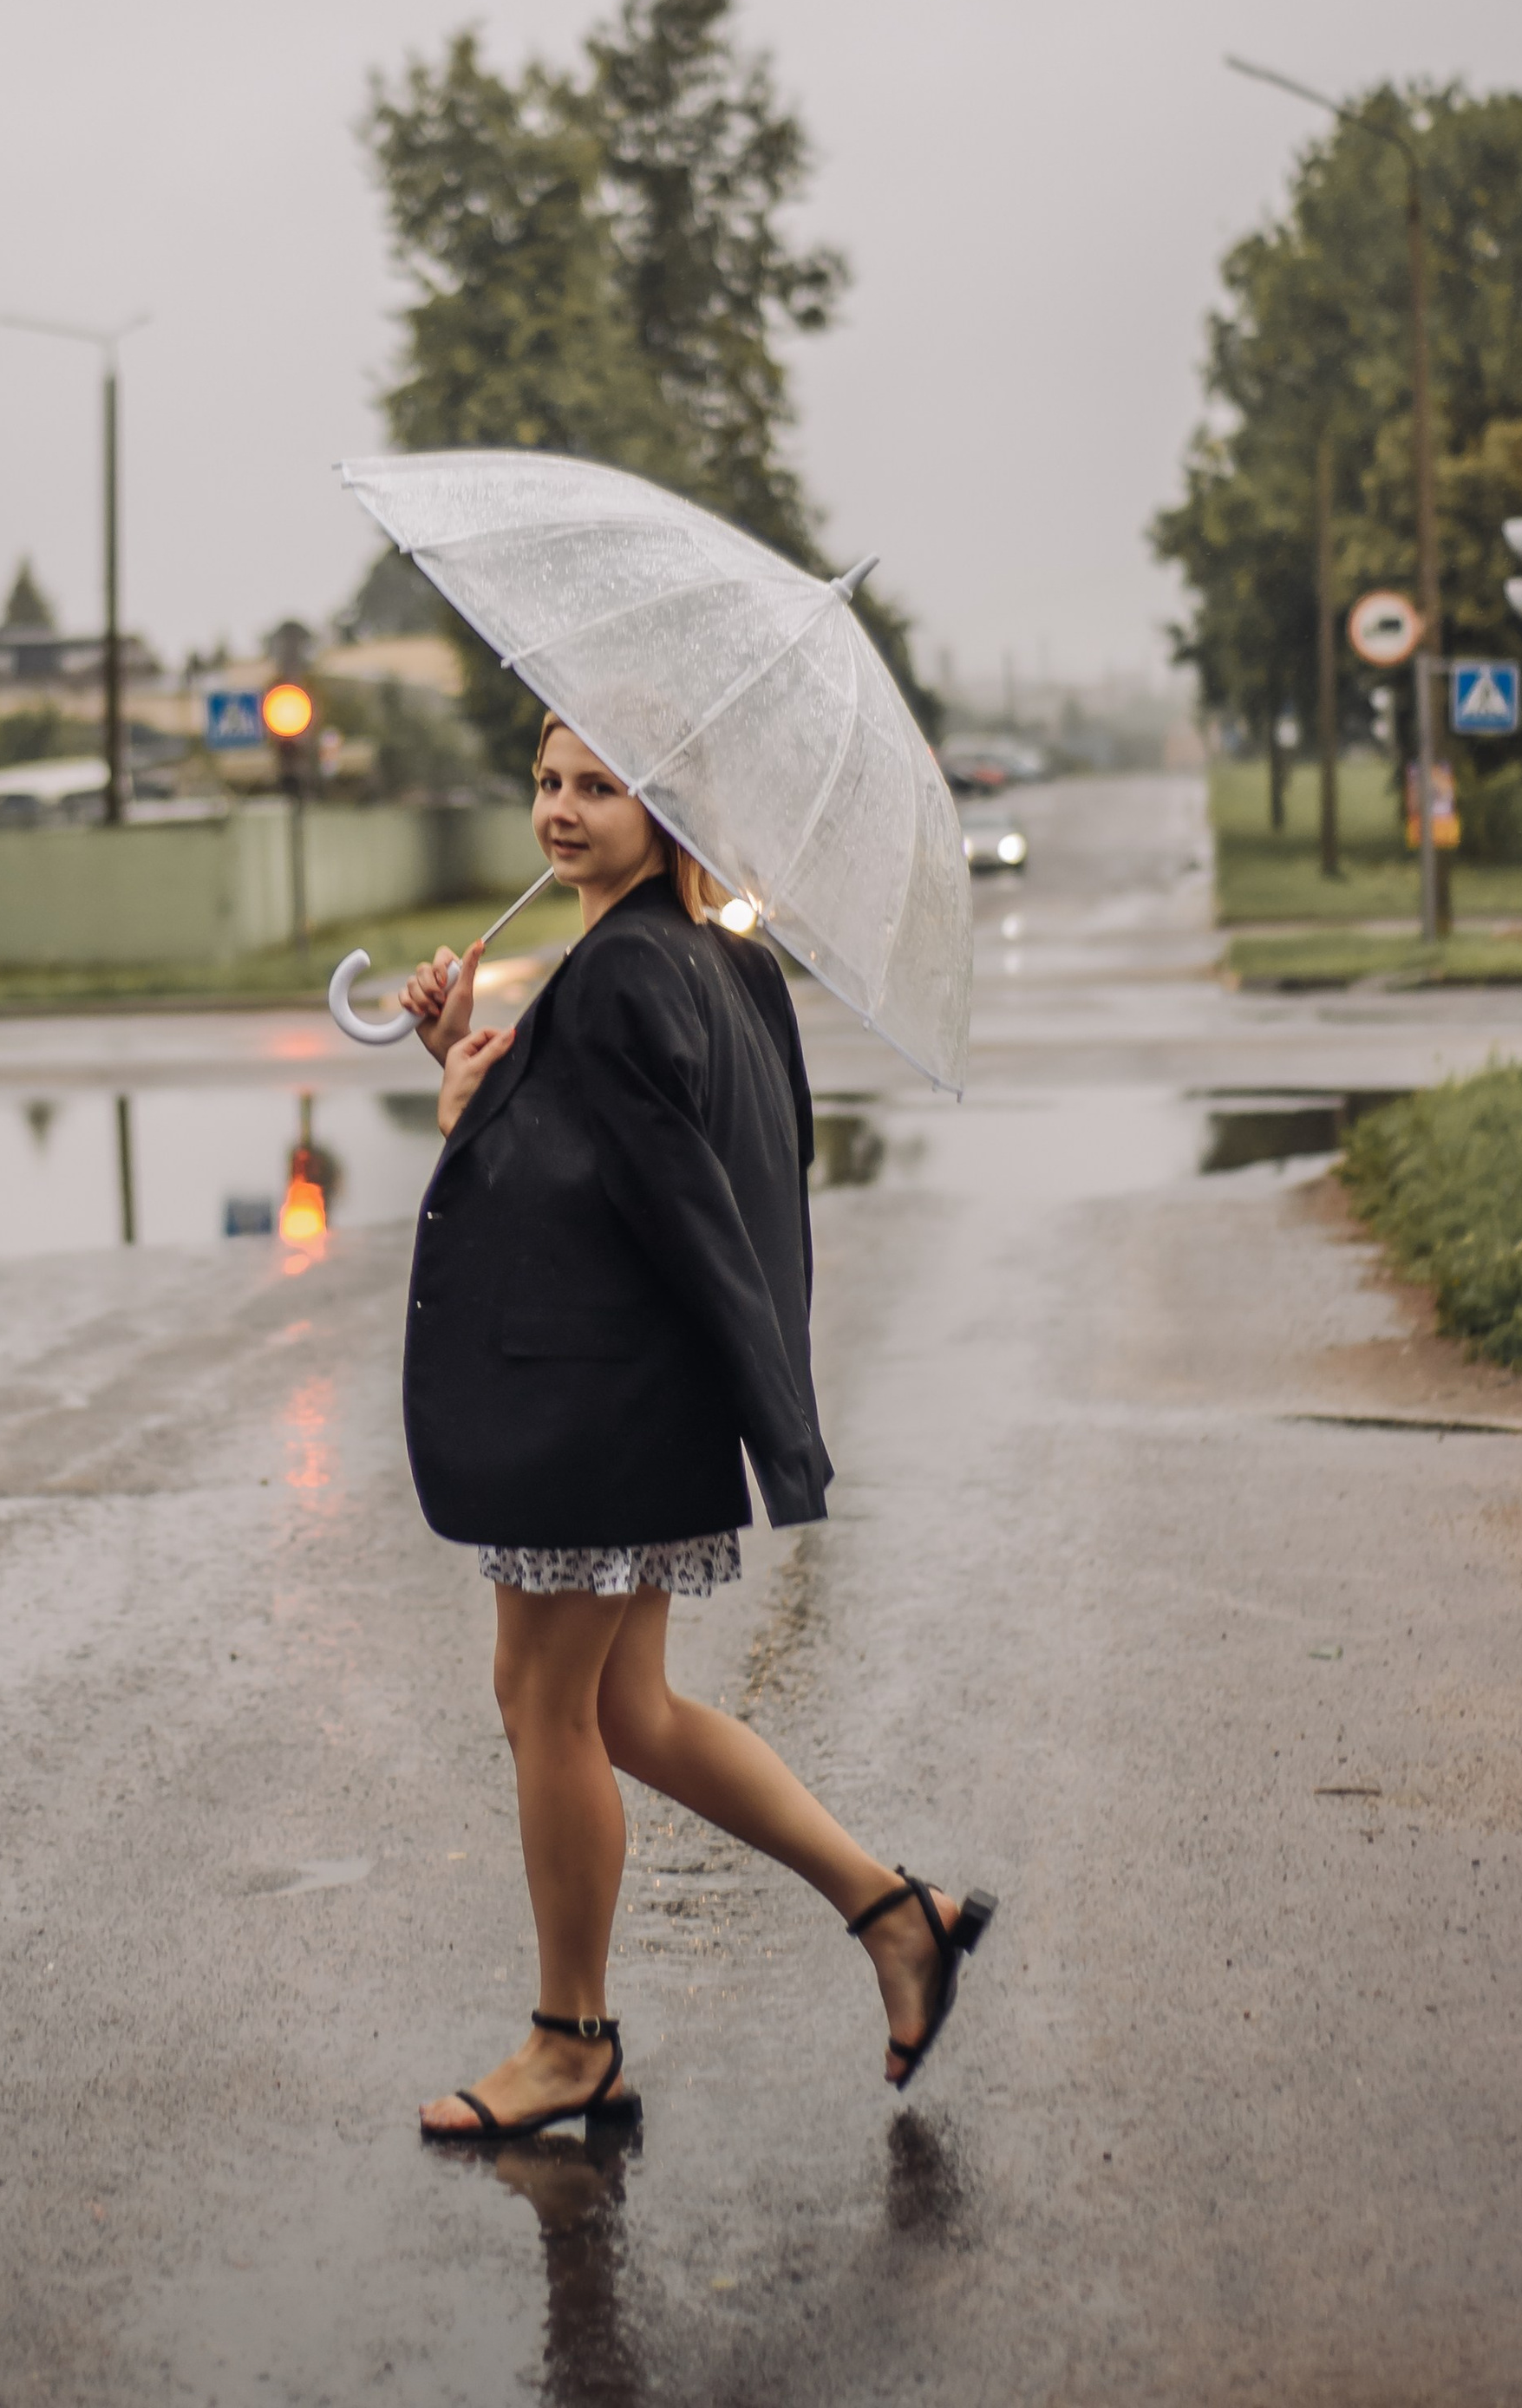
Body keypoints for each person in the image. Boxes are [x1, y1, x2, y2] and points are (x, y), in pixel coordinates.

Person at [402, 716, 994, 2143]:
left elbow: (637, 1212)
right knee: (627, 1712)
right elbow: (687, 1169)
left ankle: (569, 2043)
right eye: (548, 781)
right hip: (642, 1407)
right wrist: (464, 1066)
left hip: (594, 1408)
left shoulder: (615, 977)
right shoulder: (717, 958)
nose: (561, 810)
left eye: (600, 787)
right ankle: (893, 1910)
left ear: (670, 806)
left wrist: (467, 1118)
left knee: (545, 1709)